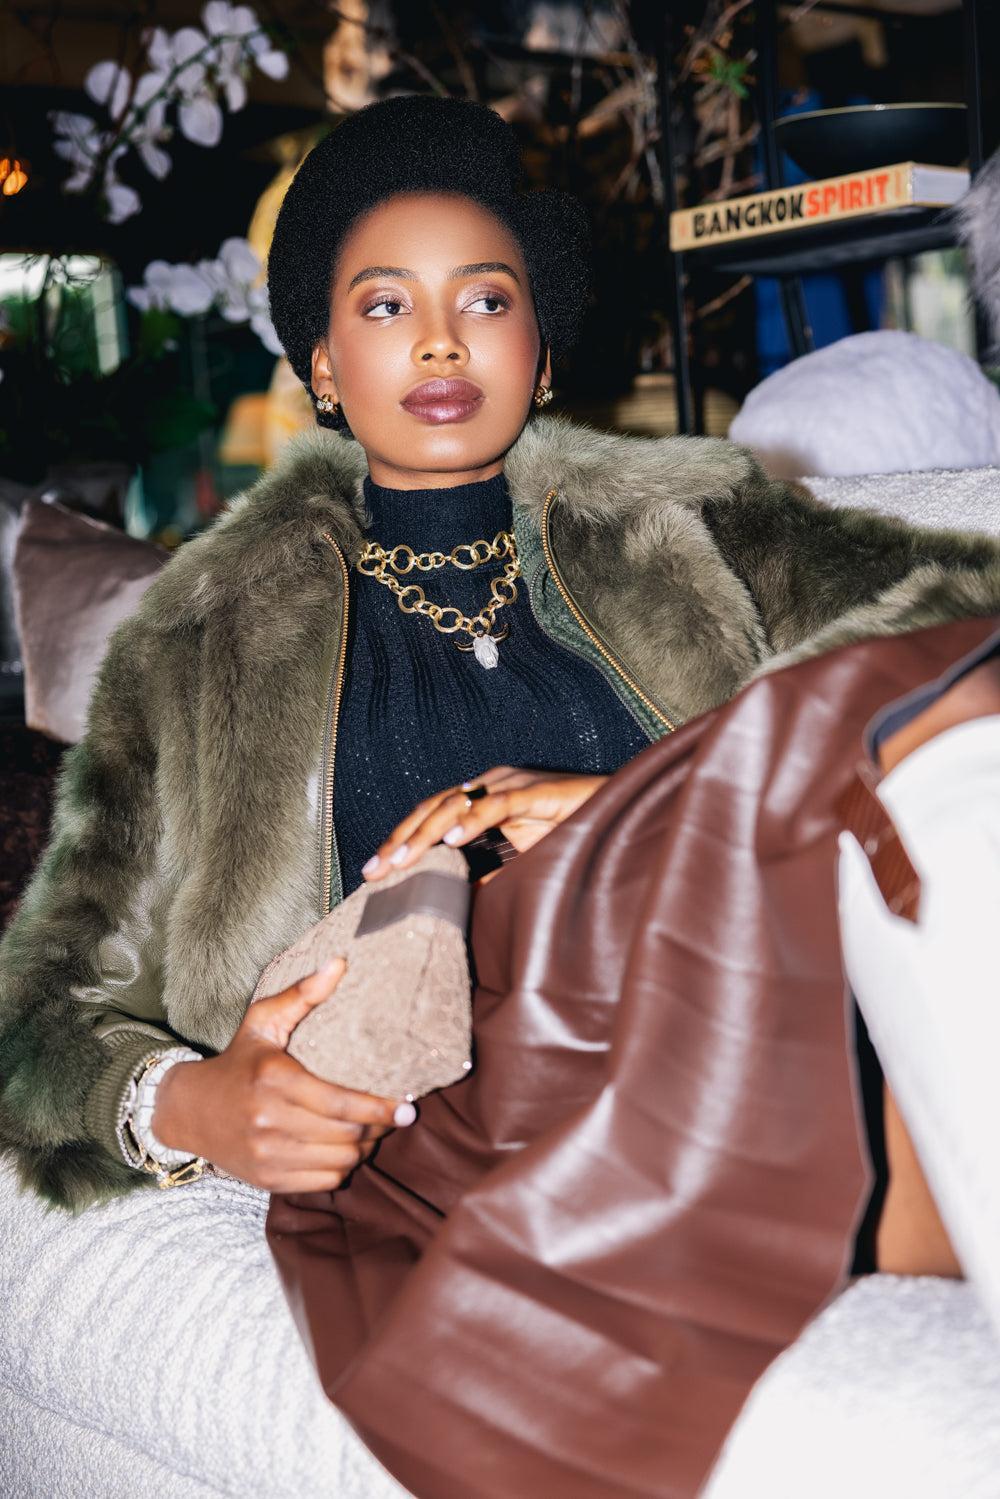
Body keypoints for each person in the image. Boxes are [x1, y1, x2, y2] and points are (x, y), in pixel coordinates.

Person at [3, 93, 1000, 1215]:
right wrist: (188, 1102)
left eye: (486, 298)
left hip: (742, 1053)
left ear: (541, 350)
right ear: (322, 364)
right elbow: (40, 1004)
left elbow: (970, 629)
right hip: (446, 1151)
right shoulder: (202, 638)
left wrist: (660, 806)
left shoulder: (695, 526)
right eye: (387, 305)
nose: (441, 339)